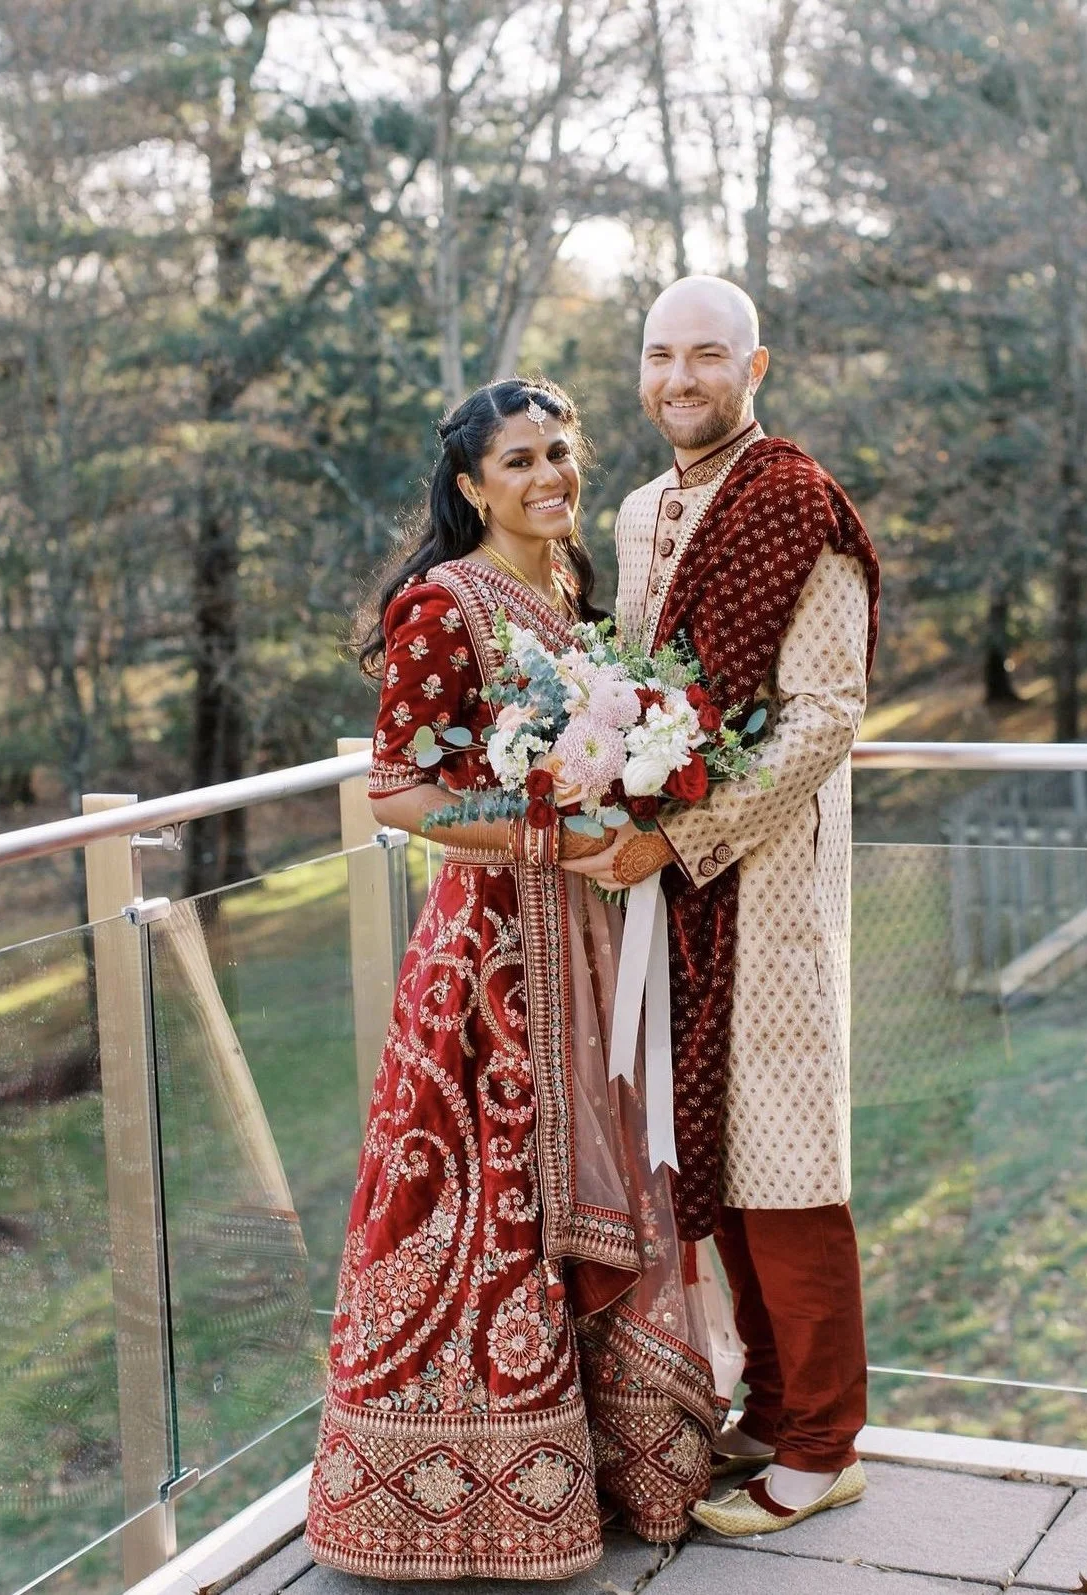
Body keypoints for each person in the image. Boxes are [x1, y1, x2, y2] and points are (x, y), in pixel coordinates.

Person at [306, 377, 727, 1582]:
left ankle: (603, 1455)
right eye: (521, 461)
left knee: (587, 1175)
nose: (549, 476)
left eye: (561, 453)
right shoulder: (445, 605)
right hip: (490, 952)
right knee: (488, 1192)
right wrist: (547, 831)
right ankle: (463, 1490)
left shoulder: (568, 590)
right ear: (470, 484)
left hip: (587, 932)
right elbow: (397, 791)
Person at [567, 278, 882, 1536]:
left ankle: (824, 1442)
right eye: (659, 354)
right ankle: (769, 1401)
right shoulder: (642, 510)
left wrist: (683, 835)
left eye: (708, 355)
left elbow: (825, 716)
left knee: (790, 1162)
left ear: (756, 368)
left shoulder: (801, 503)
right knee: (721, 1158)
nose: (680, 376)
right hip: (670, 901)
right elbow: (640, 687)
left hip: (769, 881)